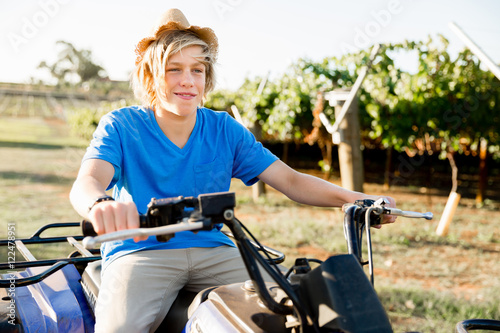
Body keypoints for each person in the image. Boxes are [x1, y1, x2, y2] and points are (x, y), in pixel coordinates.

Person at [70, 8, 396, 333]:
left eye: (197, 70)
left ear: (206, 77)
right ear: (150, 75)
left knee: (291, 313)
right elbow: (88, 181)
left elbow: (291, 180)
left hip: (213, 249)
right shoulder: (123, 126)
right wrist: (100, 205)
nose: (187, 81)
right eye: (174, 69)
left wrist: (357, 199)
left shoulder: (224, 129)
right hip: (141, 250)